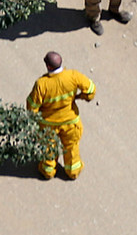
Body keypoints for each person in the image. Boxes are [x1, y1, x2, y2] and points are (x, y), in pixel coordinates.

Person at [26, 51, 95, 180]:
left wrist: (33, 125)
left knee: (49, 148)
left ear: (48, 67)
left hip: (48, 125)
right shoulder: (73, 76)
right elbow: (91, 91)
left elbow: (32, 107)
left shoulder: (42, 84)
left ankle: (48, 171)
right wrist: (80, 97)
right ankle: (73, 172)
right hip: (71, 123)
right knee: (71, 147)